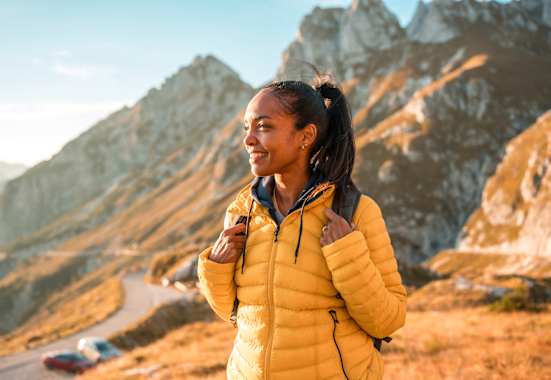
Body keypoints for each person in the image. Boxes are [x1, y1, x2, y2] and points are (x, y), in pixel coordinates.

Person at [197, 72, 407, 380]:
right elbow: (235, 314)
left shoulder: (356, 212)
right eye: (247, 128)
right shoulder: (241, 211)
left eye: (264, 126)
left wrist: (346, 252)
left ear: (305, 136)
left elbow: (387, 321)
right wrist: (216, 266)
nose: (248, 139)